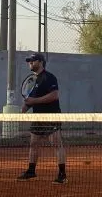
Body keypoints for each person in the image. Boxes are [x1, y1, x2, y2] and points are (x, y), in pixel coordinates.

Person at [16, 53, 67, 184]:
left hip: (51, 115)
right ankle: (31, 171)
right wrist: (23, 109)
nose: (30, 63)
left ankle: (62, 175)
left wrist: (35, 100)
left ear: (40, 62)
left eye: (32, 61)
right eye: (29, 61)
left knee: (56, 144)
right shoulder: (33, 81)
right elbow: (30, 101)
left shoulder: (49, 77)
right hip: (38, 117)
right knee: (33, 144)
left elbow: (54, 95)